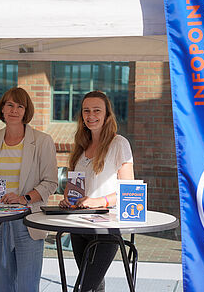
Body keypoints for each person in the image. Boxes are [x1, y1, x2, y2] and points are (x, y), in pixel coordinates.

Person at [0, 87, 58, 292]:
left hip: (27, 219)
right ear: (3, 109)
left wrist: (23, 198)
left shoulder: (42, 141)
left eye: (20, 106)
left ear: (26, 111)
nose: (14, 110)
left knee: (27, 285)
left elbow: (51, 182)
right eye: (10, 105)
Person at [59, 90, 134, 292]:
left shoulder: (119, 144)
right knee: (95, 286)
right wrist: (68, 199)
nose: (91, 115)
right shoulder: (81, 147)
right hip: (79, 225)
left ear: (107, 115)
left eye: (96, 110)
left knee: (85, 287)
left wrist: (97, 201)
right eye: (86, 111)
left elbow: (130, 193)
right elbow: (72, 188)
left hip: (106, 228)